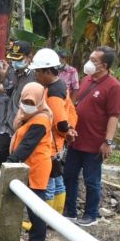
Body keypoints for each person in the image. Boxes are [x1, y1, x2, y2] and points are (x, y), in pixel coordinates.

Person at [64, 46, 120, 226]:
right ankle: (70, 211)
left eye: (93, 60)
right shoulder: (86, 80)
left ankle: (91, 214)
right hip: (76, 139)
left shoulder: (114, 87)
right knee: (69, 175)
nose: (89, 62)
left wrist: (108, 142)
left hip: (95, 143)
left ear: (104, 65)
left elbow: (114, 116)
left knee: (92, 180)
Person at [0, 41, 35, 210]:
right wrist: (4, 78)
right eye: (12, 59)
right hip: (9, 126)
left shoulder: (35, 76)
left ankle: (20, 201)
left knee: (21, 163)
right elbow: (10, 92)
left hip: (26, 127)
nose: (14, 62)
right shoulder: (12, 71)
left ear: (29, 58)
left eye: (19, 59)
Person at [30, 48, 78, 215]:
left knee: (48, 181)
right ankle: (56, 214)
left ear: (48, 71)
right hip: (57, 143)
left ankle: (44, 217)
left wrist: (67, 130)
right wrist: (70, 130)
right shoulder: (60, 85)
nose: (36, 75)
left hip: (50, 143)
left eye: (38, 71)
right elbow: (71, 111)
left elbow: (60, 121)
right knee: (57, 179)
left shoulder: (53, 91)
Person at [8, 82, 53, 241]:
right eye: (25, 102)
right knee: (26, 201)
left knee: (36, 205)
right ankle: (19, 232)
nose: (26, 106)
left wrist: (11, 161)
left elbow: (27, 145)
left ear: (41, 101)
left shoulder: (41, 119)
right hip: (27, 165)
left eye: (31, 103)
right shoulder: (27, 116)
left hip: (37, 166)